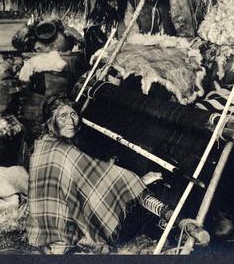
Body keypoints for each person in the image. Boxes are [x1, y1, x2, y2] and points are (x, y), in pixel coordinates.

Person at [26, 94, 165, 254]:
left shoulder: (41, 144)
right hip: (64, 238)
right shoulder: (64, 152)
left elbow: (78, 180)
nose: (71, 122)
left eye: (73, 114)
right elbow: (97, 181)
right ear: (51, 121)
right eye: (63, 116)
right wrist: (139, 181)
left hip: (41, 234)